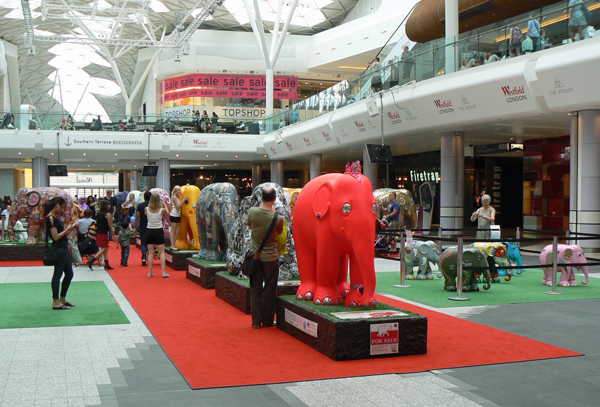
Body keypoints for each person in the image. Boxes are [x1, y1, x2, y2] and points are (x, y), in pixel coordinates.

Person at [247, 187, 284, 329]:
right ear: (274, 199)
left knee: (255, 288)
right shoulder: (278, 218)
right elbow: (280, 232)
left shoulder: (252, 212)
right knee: (270, 288)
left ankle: (256, 321)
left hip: (255, 256)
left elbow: (250, 226)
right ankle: (268, 321)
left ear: (261, 197)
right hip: (271, 257)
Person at [44, 196, 79, 310]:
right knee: (57, 275)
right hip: (59, 249)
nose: (62, 210)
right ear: (57, 205)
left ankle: (62, 298)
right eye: (62, 207)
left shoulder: (55, 217)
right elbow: (56, 237)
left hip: (63, 249)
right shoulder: (50, 218)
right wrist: (68, 230)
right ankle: (56, 301)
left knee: (69, 274)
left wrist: (70, 229)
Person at [145, 192, 170, 278]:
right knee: (162, 252)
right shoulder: (161, 210)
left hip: (149, 230)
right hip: (158, 230)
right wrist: (163, 203)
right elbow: (167, 212)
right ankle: (163, 272)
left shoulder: (147, 209)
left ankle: (150, 272)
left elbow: (146, 215)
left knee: (151, 253)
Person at [87, 199, 116, 270]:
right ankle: (92, 260)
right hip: (104, 233)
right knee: (104, 248)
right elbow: (110, 226)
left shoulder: (98, 214)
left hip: (99, 233)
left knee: (105, 248)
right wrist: (114, 235)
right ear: (106, 206)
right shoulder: (107, 215)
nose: (110, 206)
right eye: (108, 205)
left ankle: (106, 262)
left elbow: (97, 223)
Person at [133, 191, 151, 266]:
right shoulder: (152, 206)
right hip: (151, 226)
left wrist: (135, 228)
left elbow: (137, 217)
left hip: (143, 225)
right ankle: (149, 256)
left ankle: (144, 257)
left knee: (143, 243)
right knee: (150, 243)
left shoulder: (140, 206)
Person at [169, 186, 188, 250]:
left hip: (177, 215)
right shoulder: (174, 198)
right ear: (174, 191)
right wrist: (183, 200)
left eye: (179, 190)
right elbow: (178, 207)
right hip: (174, 215)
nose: (179, 192)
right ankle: (172, 245)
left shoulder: (178, 198)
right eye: (177, 190)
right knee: (173, 231)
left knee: (177, 231)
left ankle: (173, 244)